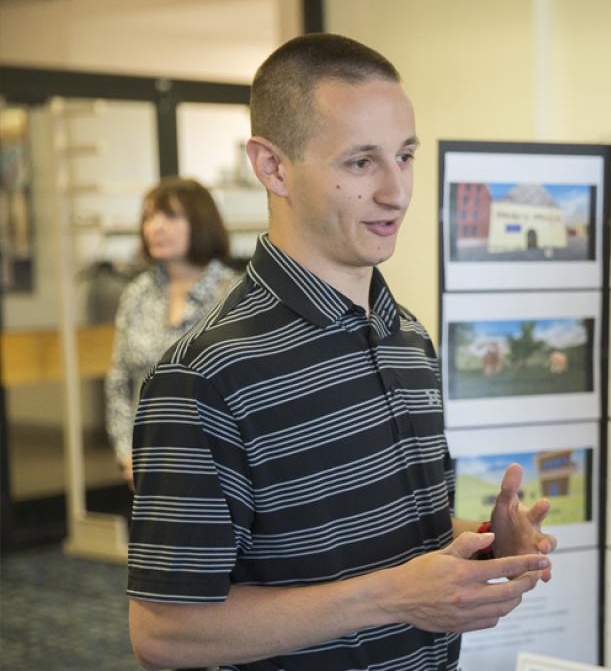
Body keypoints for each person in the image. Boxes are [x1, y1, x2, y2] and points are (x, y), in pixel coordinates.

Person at [126, 33, 556, 670]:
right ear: (273, 167)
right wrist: (389, 599)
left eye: (405, 156)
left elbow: (370, 549)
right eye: (361, 163)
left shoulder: (407, 337)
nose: (397, 192)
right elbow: (165, 634)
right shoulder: (205, 375)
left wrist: (488, 544)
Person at [104, 177, 238, 487]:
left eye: (170, 216)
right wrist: (128, 454)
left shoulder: (235, 294)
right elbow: (119, 382)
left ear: (201, 222)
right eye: (149, 217)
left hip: (220, 468)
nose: (156, 227)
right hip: (148, 464)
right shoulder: (138, 293)